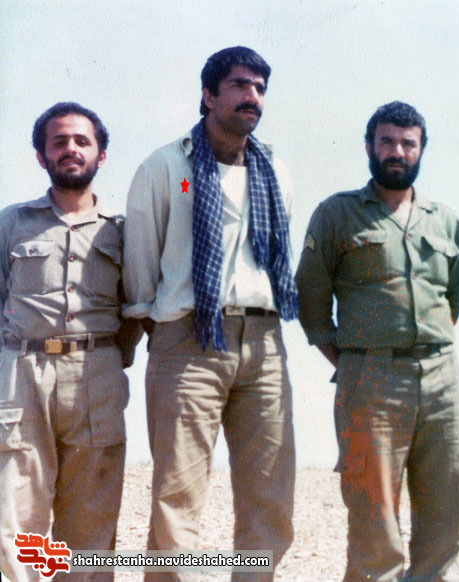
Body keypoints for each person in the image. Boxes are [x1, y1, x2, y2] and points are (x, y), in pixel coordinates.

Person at [123, 46, 298, 581]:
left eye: (260, 88)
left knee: (269, 496)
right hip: (189, 339)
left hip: (263, 342)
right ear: (208, 95)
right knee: (178, 496)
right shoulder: (169, 168)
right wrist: (169, 328)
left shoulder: (273, 170)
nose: (253, 97)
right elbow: (141, 265)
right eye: (240, 85)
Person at [295, 101, 459, 582]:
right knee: (374, 512)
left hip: (440, 378)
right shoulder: (337, 213)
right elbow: (311, 301)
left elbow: (454, 299)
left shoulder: (445, 220)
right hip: (370, 377)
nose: (397, 152)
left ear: (422, 150)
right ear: (369, 146)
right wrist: (354, 359)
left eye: (408, 143)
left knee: (446, 507)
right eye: (387, 141)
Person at [0, 102, 140, 581]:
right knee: (16, 515)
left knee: (91, 520)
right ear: (42, 156)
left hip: (95, 375)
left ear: (101, 155)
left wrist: (108, 358)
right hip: (22, 375)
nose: (71, 149)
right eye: (58, 141)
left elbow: (134, 307)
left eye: (82, 141)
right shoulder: (12, 223)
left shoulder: (123, 231)